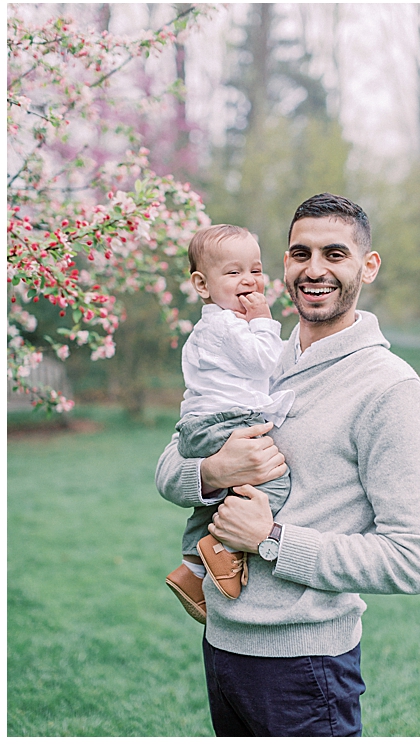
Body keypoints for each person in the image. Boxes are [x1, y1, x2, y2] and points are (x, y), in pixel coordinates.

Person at [155, 193, 420, 736]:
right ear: (284, 265)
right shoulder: (252, 358)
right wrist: (214, 472)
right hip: (222, 645)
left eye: (335, 254)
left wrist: (270, 538)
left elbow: (410, 561)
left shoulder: (391, 390)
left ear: (368, 266)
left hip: (305, 668)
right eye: (299, 253)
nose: (314, 269)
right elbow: (170, 463)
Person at [165, 224, 295, 623]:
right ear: (202, 285)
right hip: (226, 422)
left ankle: (193, 566)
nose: (248, 280)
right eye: (234, 272)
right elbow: (265, 362)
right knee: (274, 480)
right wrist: (264, 321)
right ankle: (224, 549)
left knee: (220, 496)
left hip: (201, 424)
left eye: (255, 270)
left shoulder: (212, 329)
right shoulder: (225, 325)